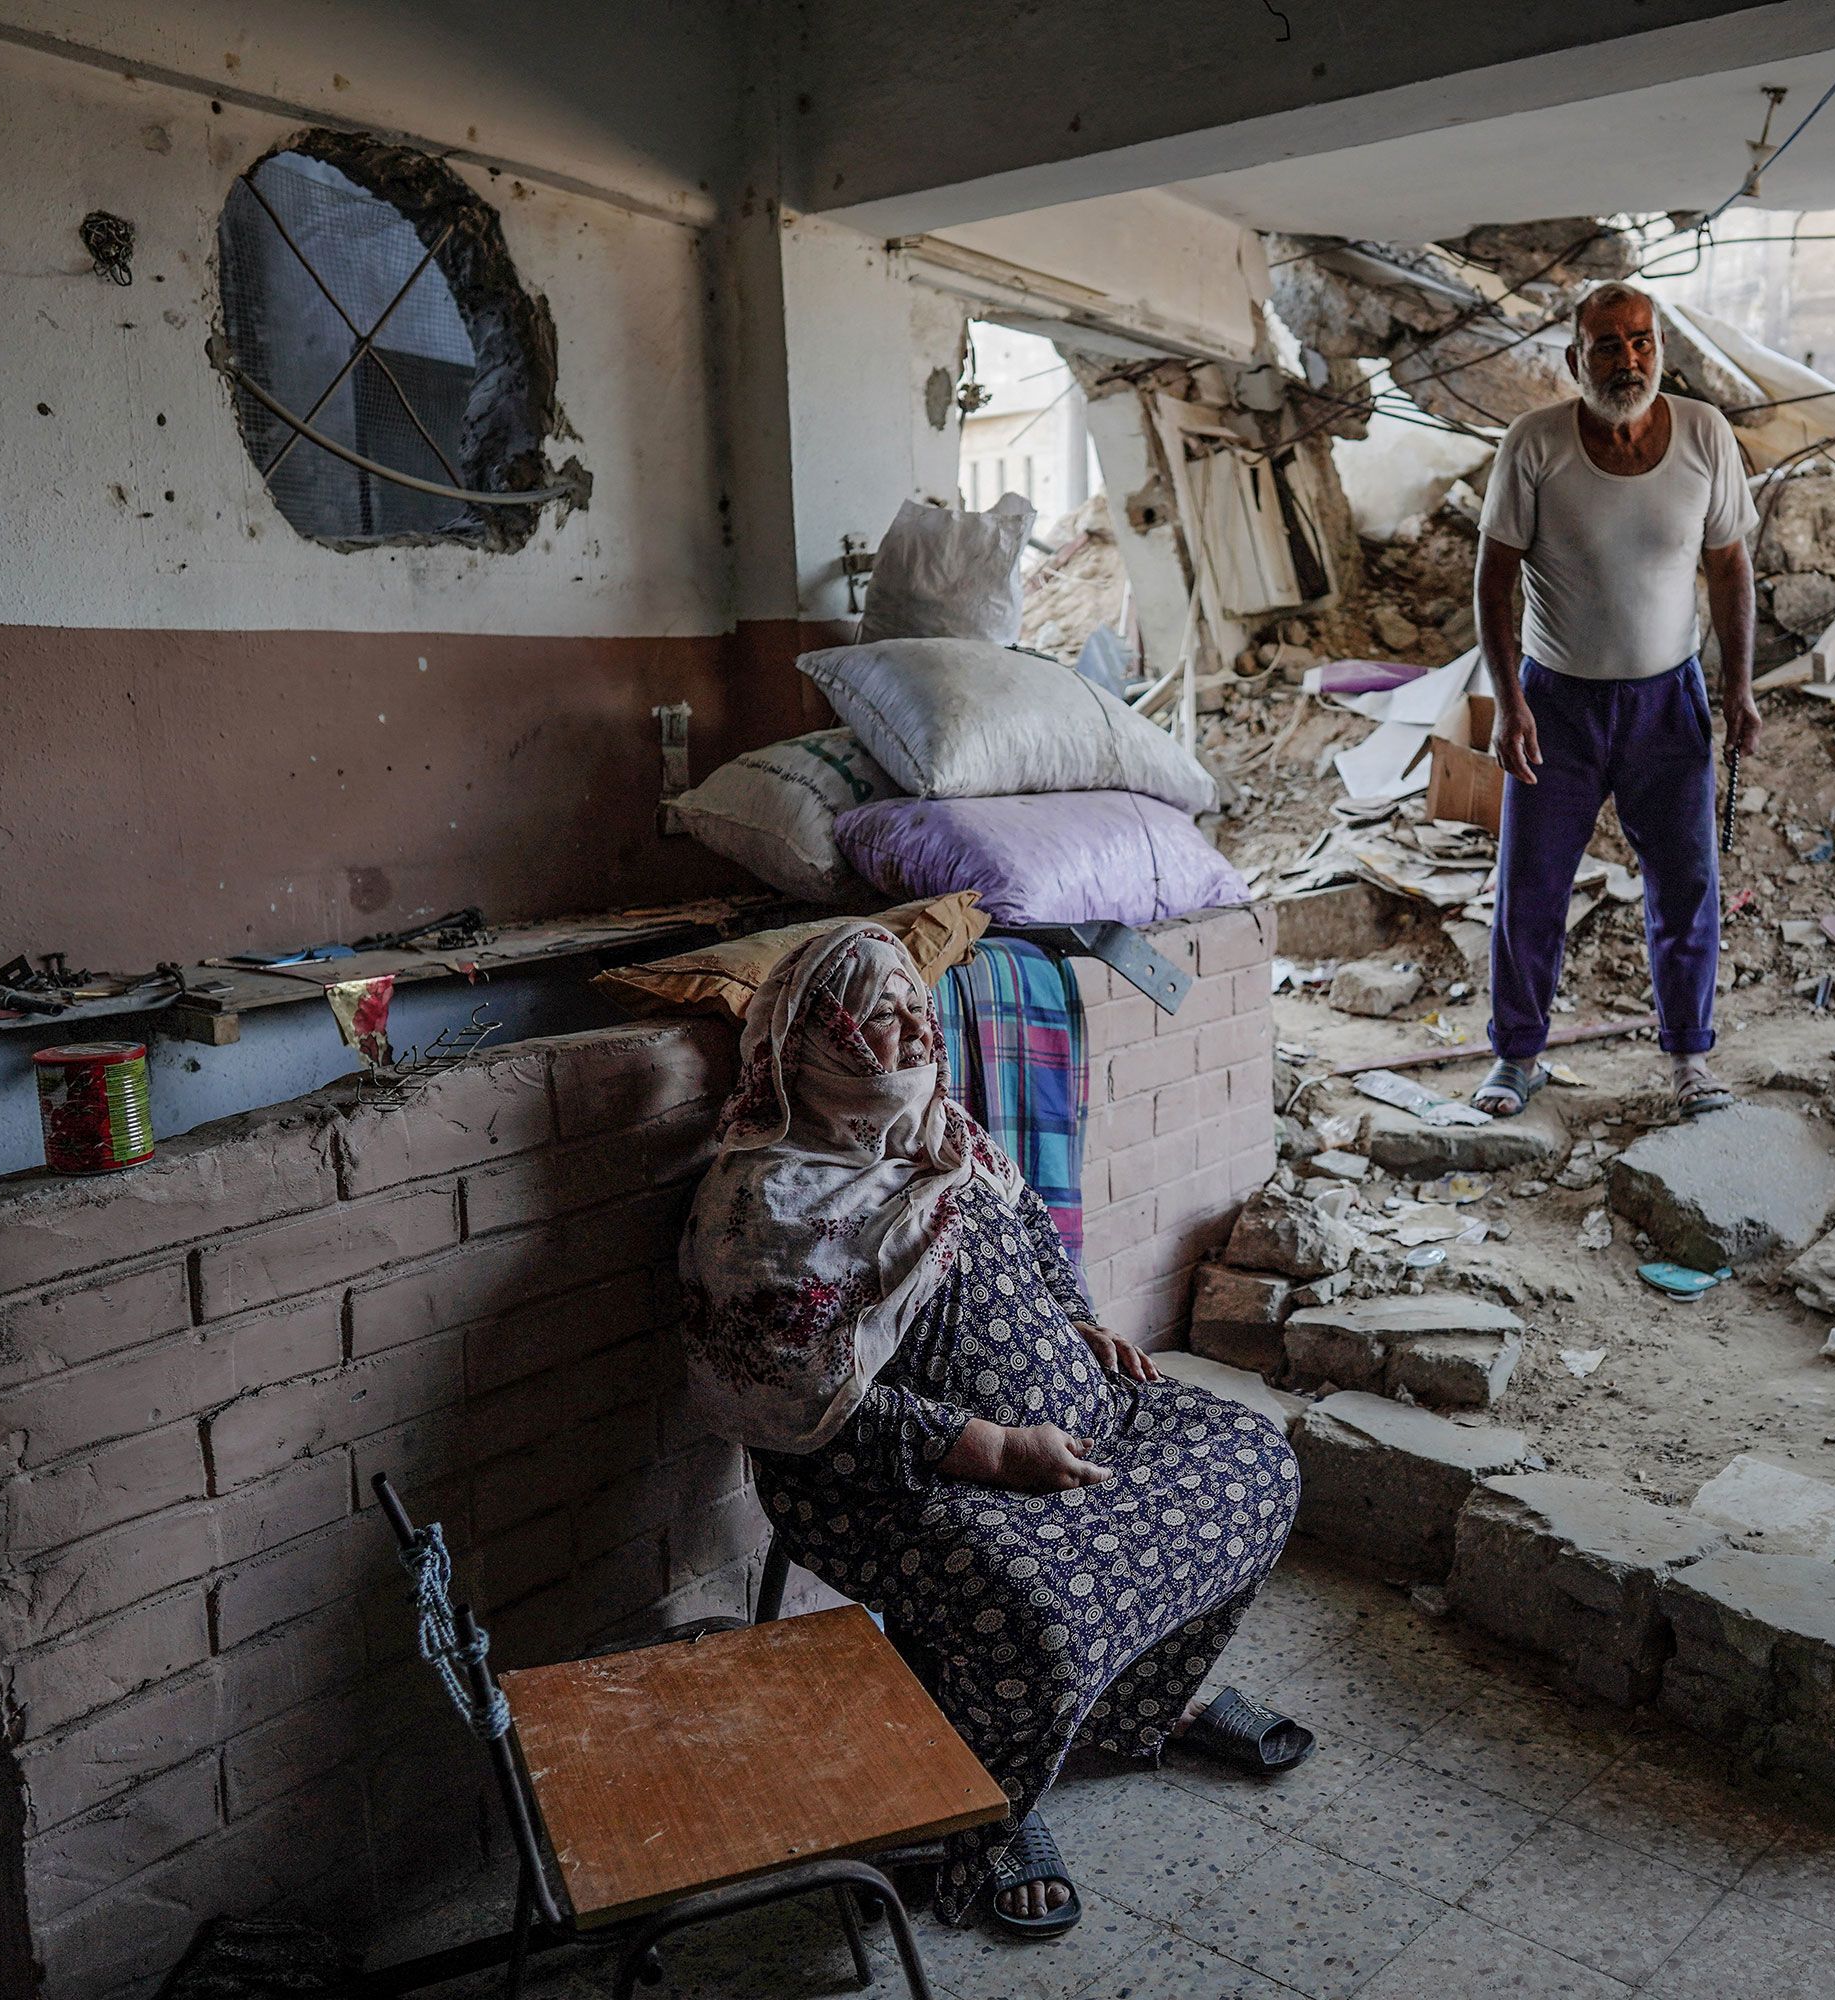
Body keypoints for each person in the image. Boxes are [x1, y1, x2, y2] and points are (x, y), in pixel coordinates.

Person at [679, 923, 1312, 1937]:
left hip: (1077, 1419)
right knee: (1036, 1611)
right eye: (873, 1013)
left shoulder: (944, 1128)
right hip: (893, 1476)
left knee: (1255, 1465)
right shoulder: (760, 1204)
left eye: (909, 1001)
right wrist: (990, 1446)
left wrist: (1082, 1326)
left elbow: (1030, 1233)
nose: (911, 1025)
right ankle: (987, 1806)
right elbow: (799, 1409)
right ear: (811, 1041)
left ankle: (1135, 1702)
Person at [1470, 281, 1759, 1121]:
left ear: (1660, 348)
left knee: (1686, 884)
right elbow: (1492, 581)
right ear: (1575, 359)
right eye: (1608, 344)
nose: (1627, 359)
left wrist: (1738, 687)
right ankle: (1518, 1055)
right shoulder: (1535, 445)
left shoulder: (1705, 434)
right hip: (1554, 703)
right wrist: (1508, 702)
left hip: (1670, 701)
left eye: (1641, 341)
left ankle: (1688, 1060)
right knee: (1532, 885)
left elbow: (1730, 567)